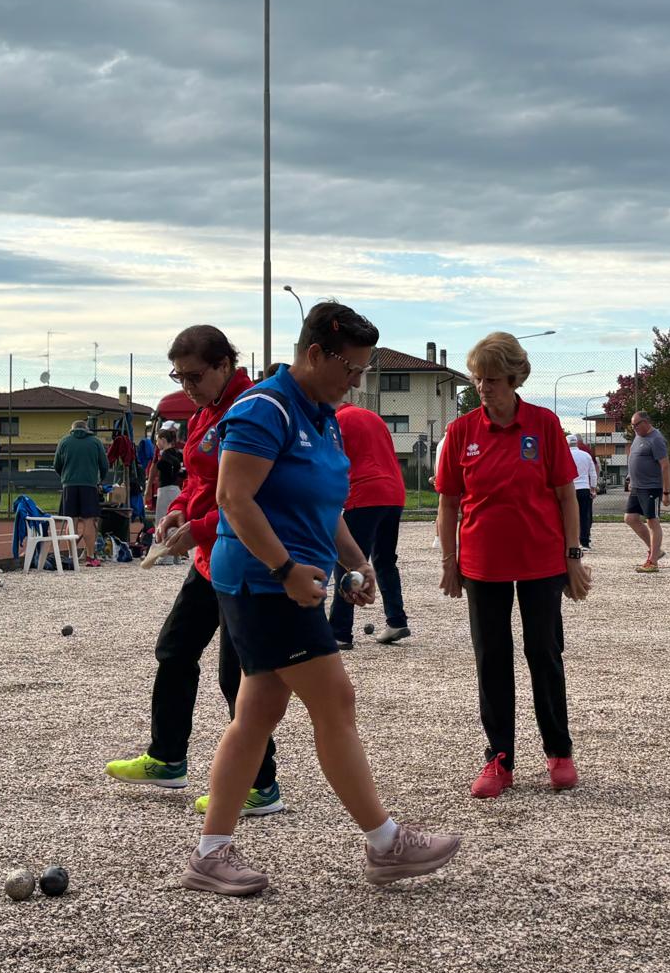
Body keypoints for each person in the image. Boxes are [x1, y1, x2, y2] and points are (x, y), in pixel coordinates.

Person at [182, 302, 461, 896]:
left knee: (256, 713)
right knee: (335, 700)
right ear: (315, 355)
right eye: (351, 368)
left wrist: (356, 562)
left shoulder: (322, 414)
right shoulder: (264, 408)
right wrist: (284, 569)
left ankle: (210, 853)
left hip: (285, 578)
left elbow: (322, 506)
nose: (356, 381)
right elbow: (234, 498)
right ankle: (385, 843)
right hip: (262, 582)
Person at [104, 329, 283, 814]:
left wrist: (199, 528)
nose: (187, 386)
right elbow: (201, 481)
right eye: (179, 376)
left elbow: (252, 495)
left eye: (195, 375)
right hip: (209, 557)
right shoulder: (206, 412)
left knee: (237, 675)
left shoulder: (251, 408)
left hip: (241, 557)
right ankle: (167, 758)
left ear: (225, 364)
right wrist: (180, 509)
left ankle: (261, 784)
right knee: (175, 649)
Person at [436, 332, 592, 800]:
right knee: (492, 660)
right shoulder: (462, 431)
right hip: (483, 564)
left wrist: (573, 557)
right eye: (479, 379)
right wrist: (450, 560)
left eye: (493, 380)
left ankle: (558, 752)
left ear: (515, 377)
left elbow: (567, 496)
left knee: (544, 653)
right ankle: (498, 758)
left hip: (542, 561)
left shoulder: (543, 425)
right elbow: (448, 503)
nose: (484, 388)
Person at [330, 400, 411, 647]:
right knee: (385, 559)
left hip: (365, 493)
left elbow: (334, 462)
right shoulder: (373, 417)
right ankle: (396, 620)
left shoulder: (337, 421)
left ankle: (339, 632)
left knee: (348, 561)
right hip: (394, 492)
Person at [53, 419, 110, 566]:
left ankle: (72, 556)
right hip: (89, 485)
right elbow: (104, 465)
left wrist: (65, 477)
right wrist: (99, 480)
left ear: (72, 429)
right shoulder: (95, 442)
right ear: (87, 429)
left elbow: (56, 465)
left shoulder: (64, 442)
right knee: (89, 520)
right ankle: (90, 556)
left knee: (71, 520)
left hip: (69, 486)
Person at [625, 410, 670, 572]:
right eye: (632, 426)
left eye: (636, 425)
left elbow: (665, 466)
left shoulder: (656, 439)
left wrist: (666, 492)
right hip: (637, 487)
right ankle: (656, 551)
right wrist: (631, 477)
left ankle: (653, 562)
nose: (634, 428)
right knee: (630, 518)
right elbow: (634, 457)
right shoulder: (639, 437)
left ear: (646, 422)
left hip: (651, 487)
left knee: (652, 521)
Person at [567, 434, 598, 551]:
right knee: (585, 516)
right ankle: (584, 542)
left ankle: (569, 541)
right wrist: (593, 488)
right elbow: (593, 473)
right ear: (577, 443)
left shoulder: (566, 455)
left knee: (568, 516)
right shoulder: (586, 455)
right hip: (584, 488)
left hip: (569, 489)